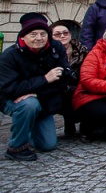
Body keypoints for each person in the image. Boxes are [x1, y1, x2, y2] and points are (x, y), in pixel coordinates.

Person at [0, 13, 70, 160]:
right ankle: (16, 148)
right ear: (23, 36)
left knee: (48, 145)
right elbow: (9, 88)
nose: (39, 38)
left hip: (43, 99)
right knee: (29, 105)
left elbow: (63, 80)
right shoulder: (9, 56)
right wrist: (45, 79)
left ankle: (29, 127)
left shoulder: (56, 49)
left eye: (43, 34)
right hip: (11, 99)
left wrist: (36, 93)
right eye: (33, 34)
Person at [50, 21, 89, 136]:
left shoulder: (82, 51)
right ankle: (68, 121)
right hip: (57, 89)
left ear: (70, 35)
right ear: (51, 37)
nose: (62, 36)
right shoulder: (48, 53)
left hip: (79, 86)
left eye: (65, 33)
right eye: (57, 34)